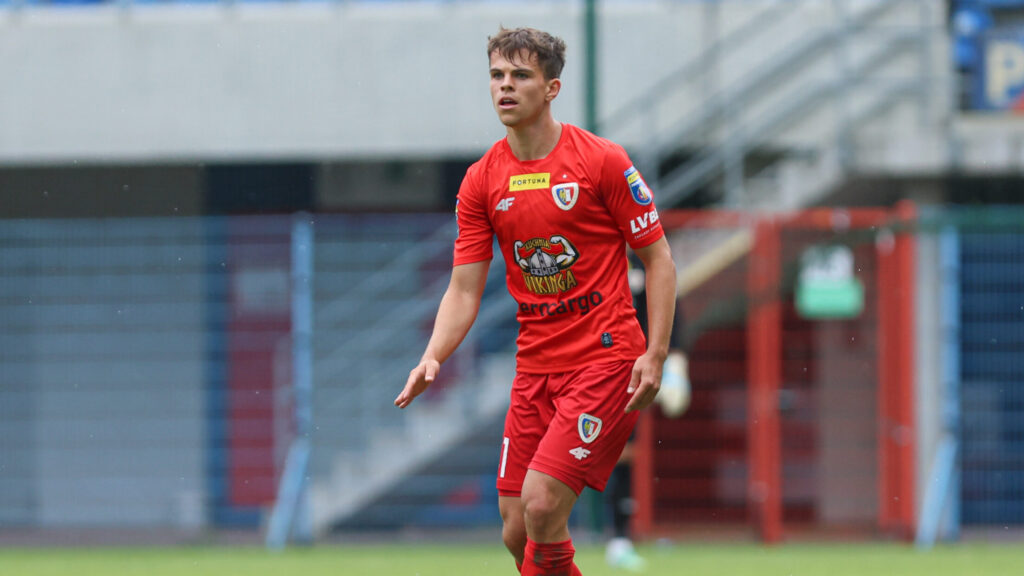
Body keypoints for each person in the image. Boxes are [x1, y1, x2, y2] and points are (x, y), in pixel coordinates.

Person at [395, 26, 676, 576]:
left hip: (606, 360)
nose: (505, 86)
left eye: (520, 75)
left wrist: (657, 352)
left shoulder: (601, 162)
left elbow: (659, 260)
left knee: (544, 504)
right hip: (535, 370)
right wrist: (433, 354)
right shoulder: (481, 181)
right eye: (497, 75)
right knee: (517, 530)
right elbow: (463, 287)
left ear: (551, 88)